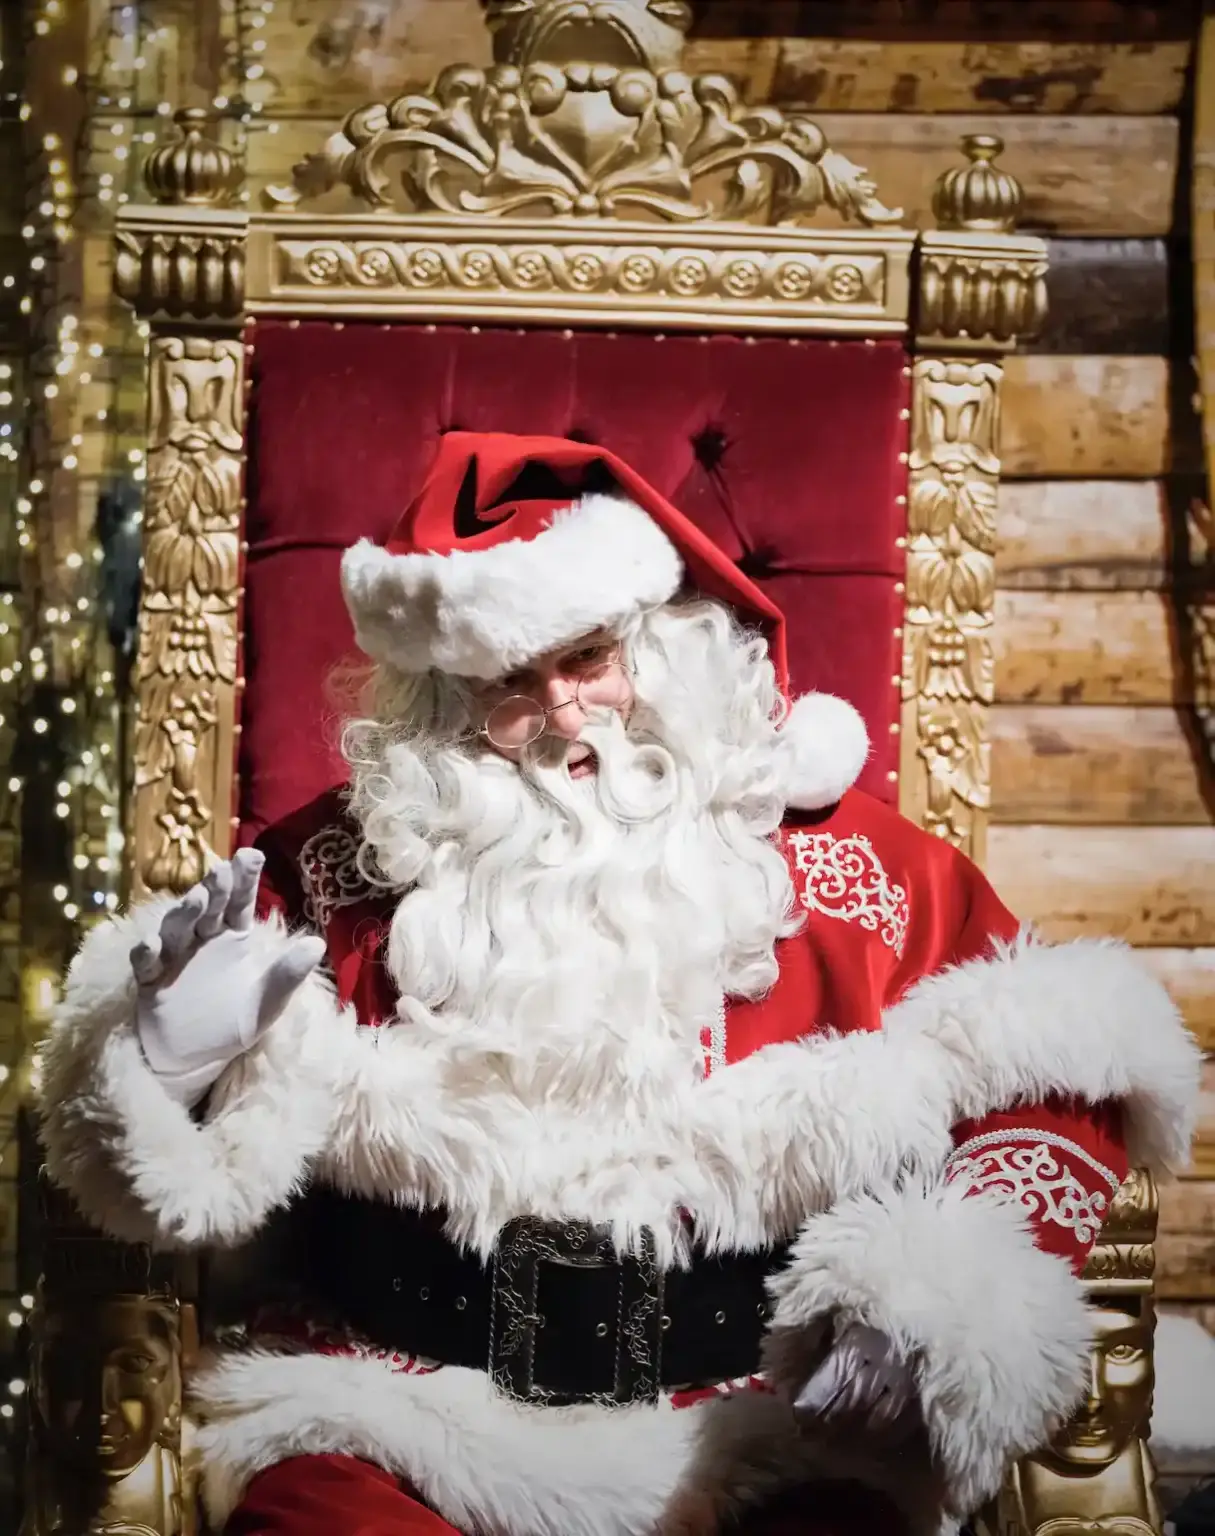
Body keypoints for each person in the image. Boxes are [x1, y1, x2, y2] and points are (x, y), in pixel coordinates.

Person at [40, 433, 1201, 1536]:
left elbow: (1068, 1062)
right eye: (509, 681)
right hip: (392, 1412)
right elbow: (159, 1139)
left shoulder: (853, 872)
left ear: (660, 645)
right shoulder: (329, 872)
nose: (562, 714)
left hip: (761, 1427)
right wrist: (161, 1065)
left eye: (588, 659)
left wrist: (940, 1297)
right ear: (442, 704)